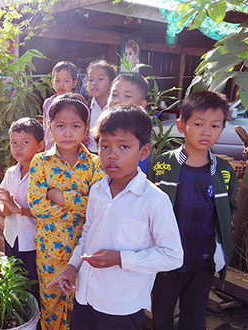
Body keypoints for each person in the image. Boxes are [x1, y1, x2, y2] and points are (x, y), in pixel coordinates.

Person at [47, 105, 183, 330]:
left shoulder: (153, 200)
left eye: (123, 146)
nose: (112, 154)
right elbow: (88, 233)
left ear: (143, 151)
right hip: (85, 298)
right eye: (104, 146)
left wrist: (121, 258)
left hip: (121, 307)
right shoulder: (98, 190)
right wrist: (72, 267)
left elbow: (173, 256)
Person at [149, 91, 238, 330]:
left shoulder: (224, 171)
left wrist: (221, 246)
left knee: (195, 317)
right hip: (166, 259)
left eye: (215, 125)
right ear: (181, 125)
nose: (206, 131)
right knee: (161, 315)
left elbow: (229, 210)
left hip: (203, 259)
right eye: (198, 124)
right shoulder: (162, 164)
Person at [28, 93, 104, 330]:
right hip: (49, 250)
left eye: (75, 126)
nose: (68, 132)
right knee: (50, 305)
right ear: (50, 128)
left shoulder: (95, 163)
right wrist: (78, 207)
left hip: (83, 251)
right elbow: (37, 206)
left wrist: (60, 197)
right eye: (60, 126)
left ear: (86, 128)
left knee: (80, 307)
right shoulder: (40, 162)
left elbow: (98, 207)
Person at [0, 117, 45, 301]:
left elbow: (48, 213)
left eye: (25, 142)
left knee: (33, 287)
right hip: (12, 238)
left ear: (40, 146)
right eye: (14, 143)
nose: (18, 148)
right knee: (15, 282)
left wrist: (18, 209)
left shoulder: (43, 175)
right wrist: (6, 208)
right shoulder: (11, 173)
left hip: (33, 243)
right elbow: (3, 198)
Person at [107, 73, 151, 173]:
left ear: (141, 104)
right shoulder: (105, 127)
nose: (117, 100)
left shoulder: (139, 133)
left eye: (127, 96)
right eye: (114, 95)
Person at [42, 61, 78, 150]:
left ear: (74, 83)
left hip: (71, 147)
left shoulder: (77, 103)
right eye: (57, 81)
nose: (61, 84)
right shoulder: (48, 103)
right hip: (50, 148)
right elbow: (45, 127)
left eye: (66, 81)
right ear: (53, 82)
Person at [85, 60, 116, 153]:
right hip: (90, 154)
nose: (94, 83)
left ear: (111, 84)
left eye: (100, 79)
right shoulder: (85, 107)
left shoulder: (116, 108)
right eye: (91, 80)